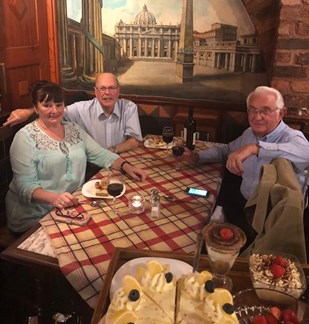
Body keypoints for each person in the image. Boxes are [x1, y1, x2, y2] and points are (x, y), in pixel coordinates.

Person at [5, 81, 147, 234]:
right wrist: (54, 199)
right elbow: (25, 186)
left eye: (59, 105)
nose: (54, 110)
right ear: (35, 108)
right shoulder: (25, 138)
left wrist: (127, 166)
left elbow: (100, 153)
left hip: (71, 207)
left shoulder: (73, 129)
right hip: (35, 217)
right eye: (47, 105)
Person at [182, 86, 309, 240]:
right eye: (253, 110)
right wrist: (196, 157)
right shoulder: (250, 133)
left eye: (265, 110)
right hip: (243, 206)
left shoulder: (293, 137)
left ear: (281, 113)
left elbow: (305, 154)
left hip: (275, 219)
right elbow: (226, 150)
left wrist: (254, 149)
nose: (257, 116)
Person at [3, 73, 142, 154]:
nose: (107, 93)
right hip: (90, 166)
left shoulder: (129, 108)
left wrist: (111, 152)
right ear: (95, 91)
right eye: (102, 88)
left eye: (112, 88)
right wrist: (29, 111)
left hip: (119, 158)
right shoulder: (80, 109)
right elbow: (54, 111)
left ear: (118, 90)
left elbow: (134, 141)